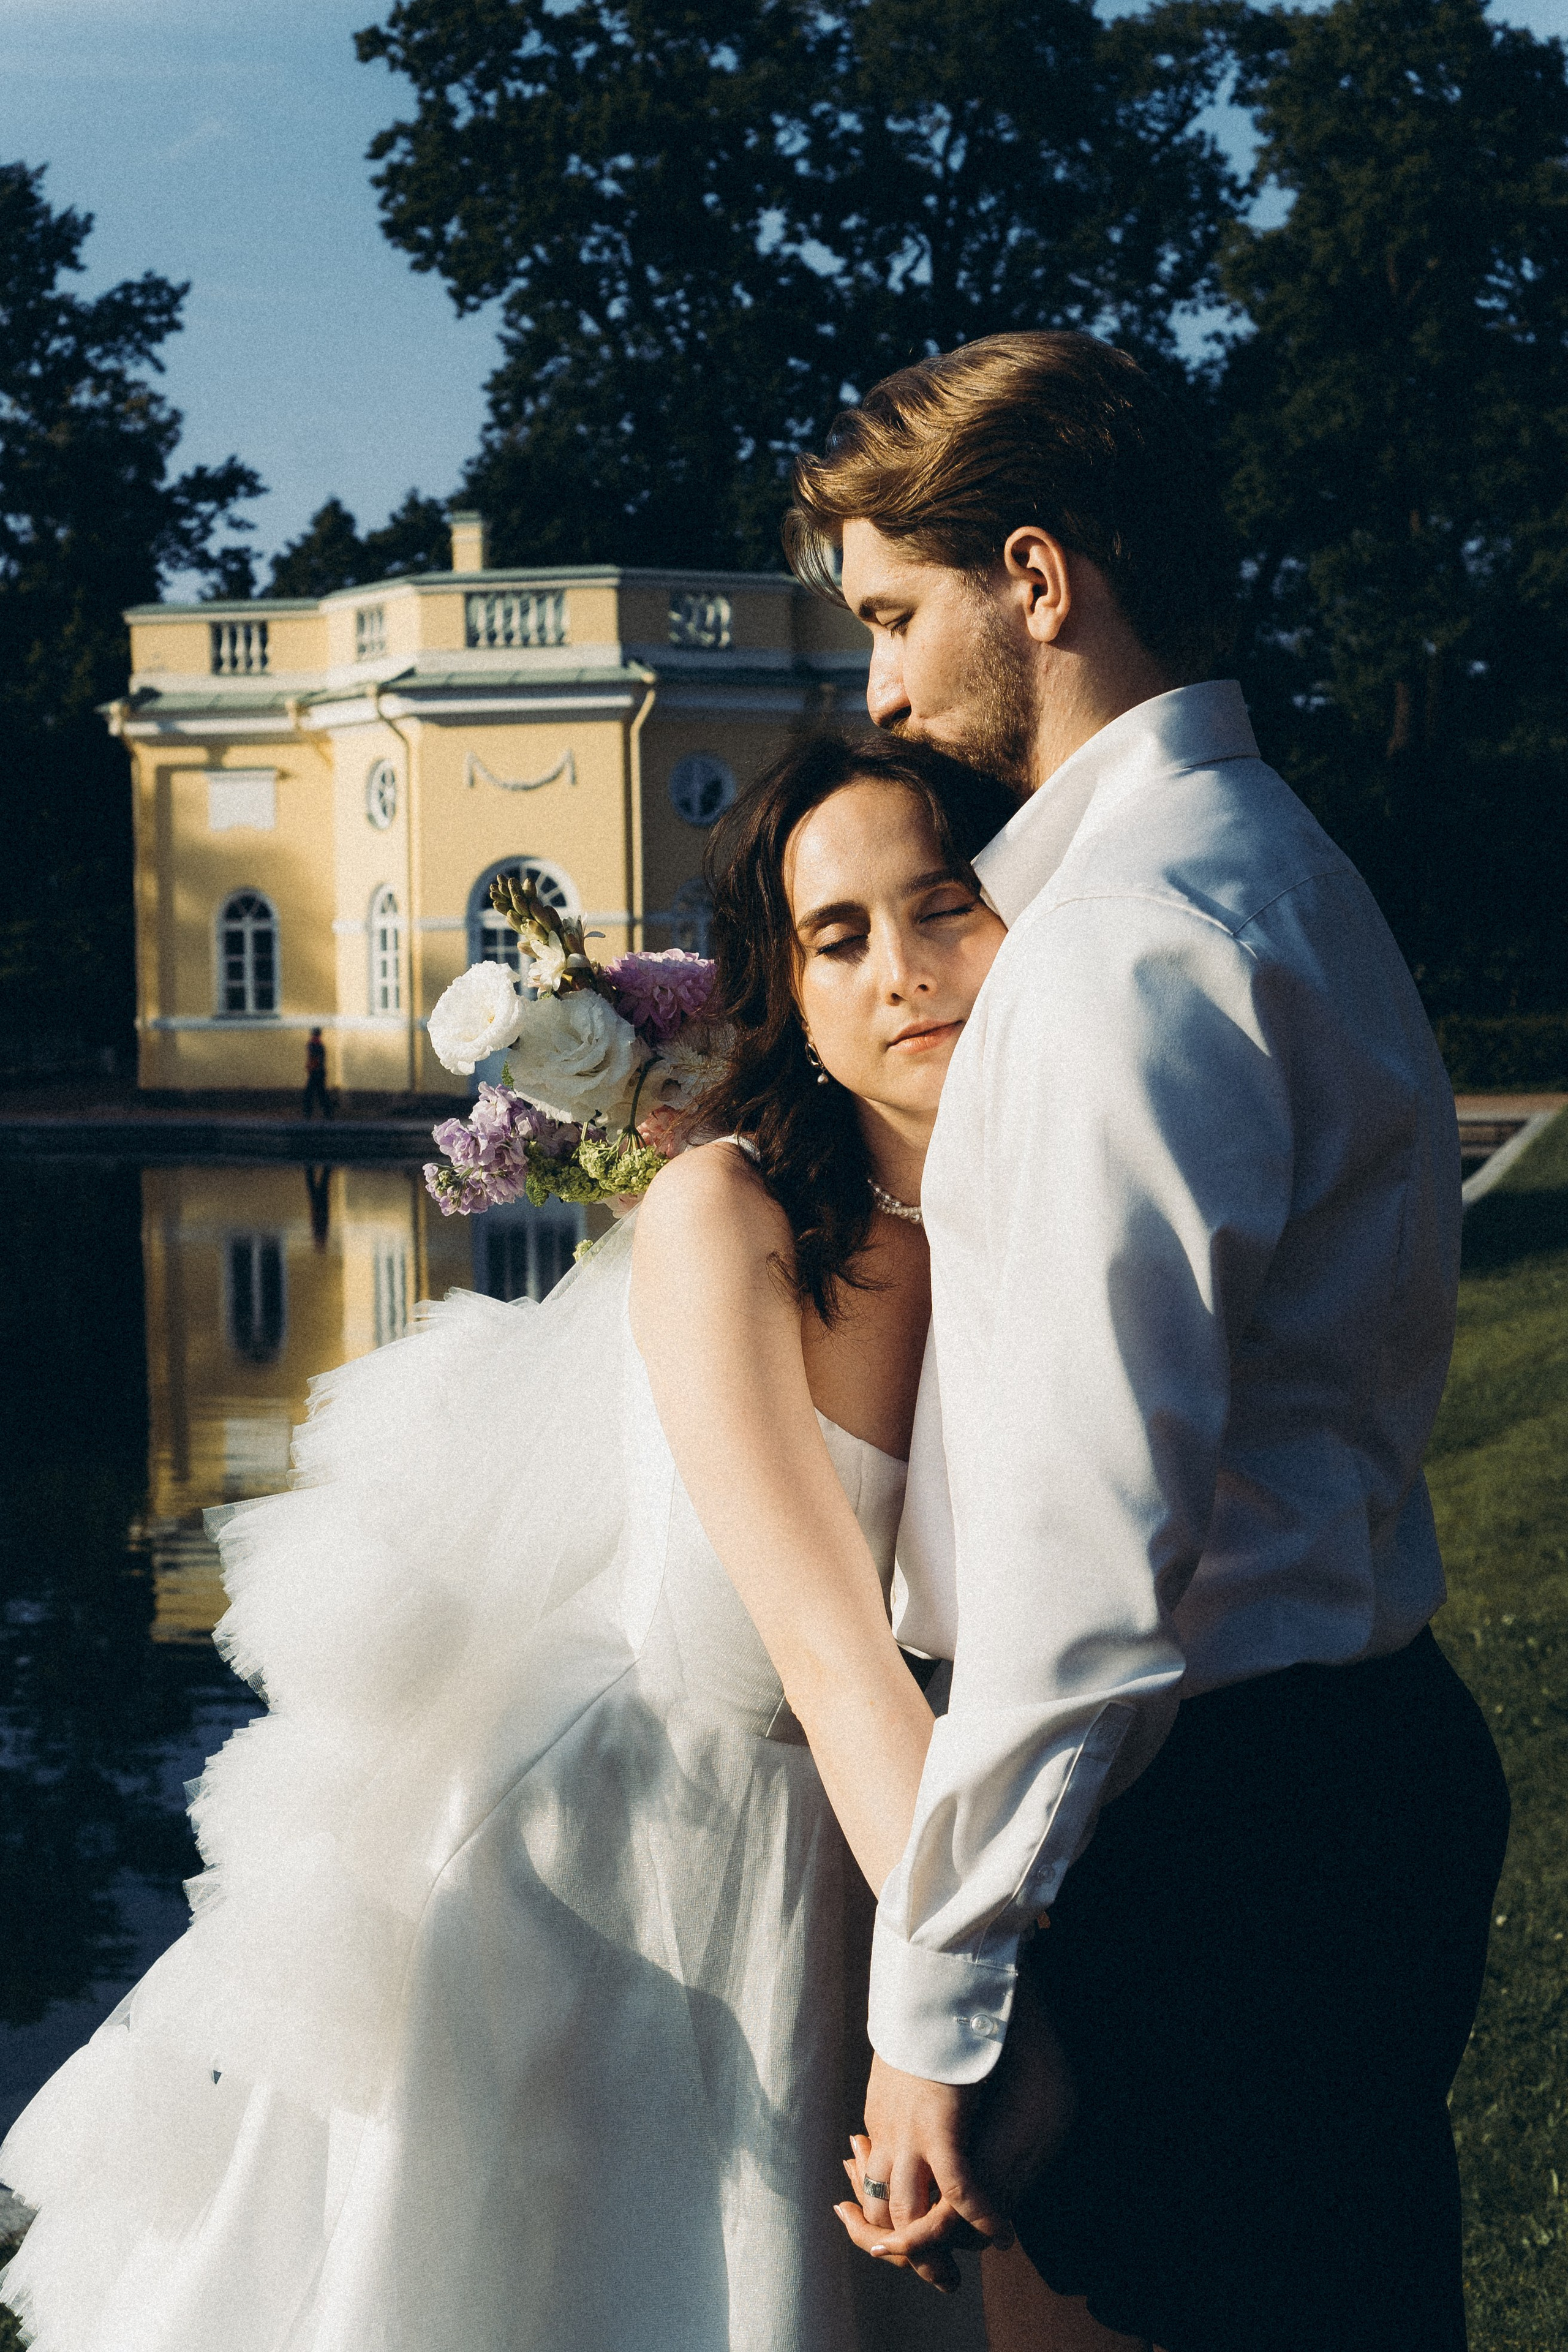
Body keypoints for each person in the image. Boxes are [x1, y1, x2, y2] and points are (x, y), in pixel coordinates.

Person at [0, 733, 1073, 2352]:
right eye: (840, 937)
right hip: (610, 1876)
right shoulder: (727, 1216)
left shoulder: (1040, 1224)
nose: (906, 974)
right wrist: (1002, 2006)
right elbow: (838, 1662)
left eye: (946, 909)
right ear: (792, 987)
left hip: (851, 1852)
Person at [788, 331, 1511, 2351]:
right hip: (1334, 1769)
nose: (880, 689)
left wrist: (938, 2003)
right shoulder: (1280, 868)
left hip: (1208, 1847)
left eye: (897, 616)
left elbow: (1090, 1567)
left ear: (1037, 578)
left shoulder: (1122, 948)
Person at [301, 1025, 331, 1119]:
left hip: (316, 1072)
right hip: (318, 1072)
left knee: (310, 1093)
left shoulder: (315, 1045)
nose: (313, 1037)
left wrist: (311, 1068)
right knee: (320, 1093)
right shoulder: (318, 1045)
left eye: (314, 1035)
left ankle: (308, 1113)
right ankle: (328, 1112)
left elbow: (315, 1059)